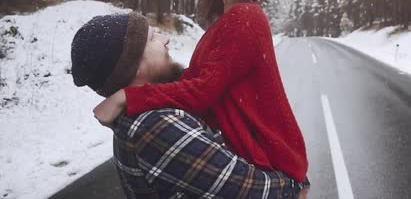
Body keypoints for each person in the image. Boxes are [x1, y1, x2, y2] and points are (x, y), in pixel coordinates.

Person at [93, 0, 310, 185]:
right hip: (249, 152)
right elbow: (195, 79)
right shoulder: (228, 20)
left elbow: (203, 90)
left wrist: (126, 98)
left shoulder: (246, 18)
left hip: (267, 159)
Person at [71, 12, 307, 198]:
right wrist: (294, 184)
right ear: (135, 67)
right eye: (153, 38)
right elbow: (251, 191)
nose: (166, 39)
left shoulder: (147, 110)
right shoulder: (154, 125)